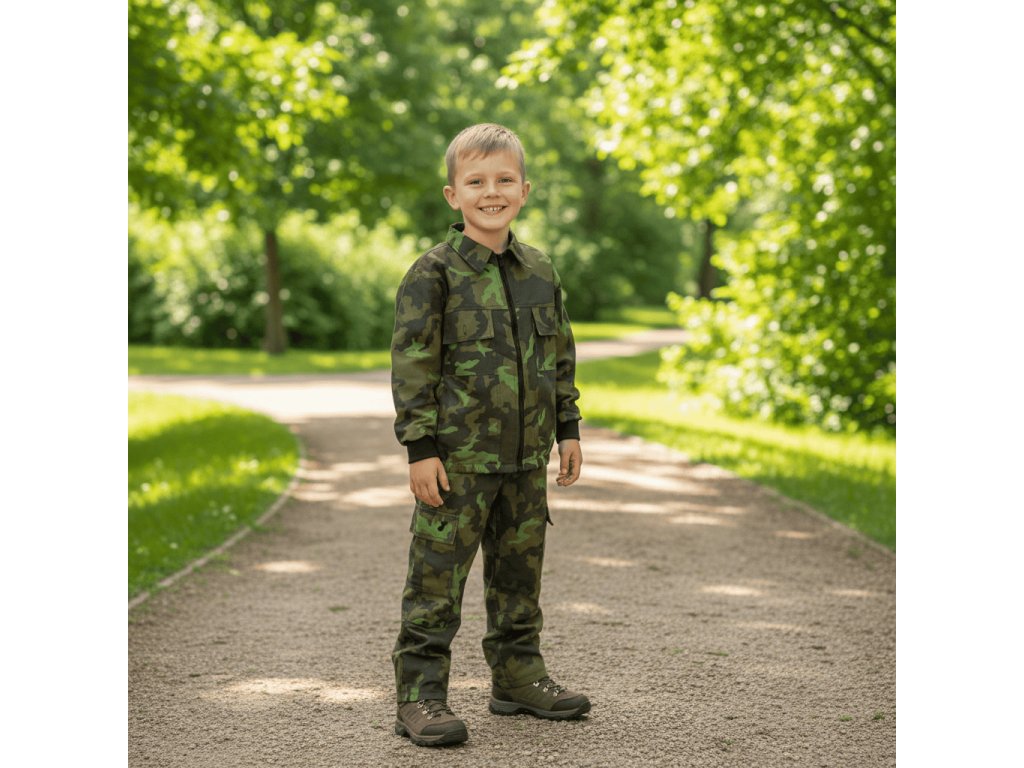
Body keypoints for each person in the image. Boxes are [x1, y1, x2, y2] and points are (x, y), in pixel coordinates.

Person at [389, 123, 591, 747]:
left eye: (505, 180)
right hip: (458, 464)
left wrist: (568, 428)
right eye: (476, 181)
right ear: (453, 195)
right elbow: (413, 366)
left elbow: (559, 356)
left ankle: (518, 677)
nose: (492, 192)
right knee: (435, 584)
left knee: (519, 580)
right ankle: (420, 695)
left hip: (526, 461)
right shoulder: (434, 273)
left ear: (524, 190)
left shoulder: (540, 271)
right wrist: (420, 449)